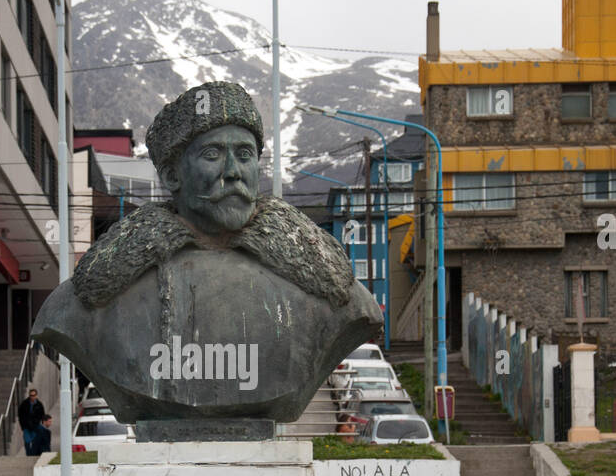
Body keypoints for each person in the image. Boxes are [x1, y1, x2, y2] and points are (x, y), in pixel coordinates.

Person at [31, 81, 380, 428]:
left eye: (244, 155)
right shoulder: (89, 298)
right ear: (171, 175)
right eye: (212, 155)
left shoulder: (331, 290)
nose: (233, 172)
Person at [18, 388, 46, 453]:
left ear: (36, 395)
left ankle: (33, 453)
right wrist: (22, 425)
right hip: (26, 426)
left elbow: (42, 415)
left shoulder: (39, 404)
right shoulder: (24, 404)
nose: (32, 397)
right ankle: (28, 453)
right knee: (27, 441)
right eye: (31, 395)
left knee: (34, 441)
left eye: (34, 395)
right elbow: (20, 415)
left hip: (35, 426)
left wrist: (41, 423)